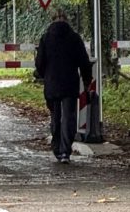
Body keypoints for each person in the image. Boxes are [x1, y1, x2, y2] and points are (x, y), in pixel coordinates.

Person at [34, 10, 93, 164]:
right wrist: (87, 81)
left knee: (55, 116)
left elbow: (39, 62)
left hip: (52, 83)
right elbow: (84, 62)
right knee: (69, 117)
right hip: (70, 83)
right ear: (67, 20)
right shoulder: (74, 38)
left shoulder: (46, 38)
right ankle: (65, 151)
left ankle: (56, 147)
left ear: (52, 20)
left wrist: (43, 75)